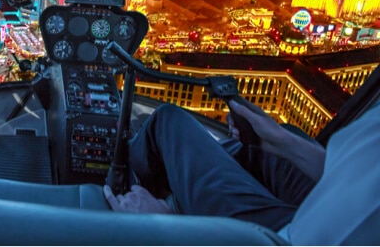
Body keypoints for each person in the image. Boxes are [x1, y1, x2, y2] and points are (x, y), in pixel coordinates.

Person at [103, 100, 380, 244]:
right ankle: (187, 193)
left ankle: (133, 178)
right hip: (335, 202)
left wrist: (167, 230)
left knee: (168, 122)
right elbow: (357, 171)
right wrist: (282, 142)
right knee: (277, 143)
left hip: (286, 237)